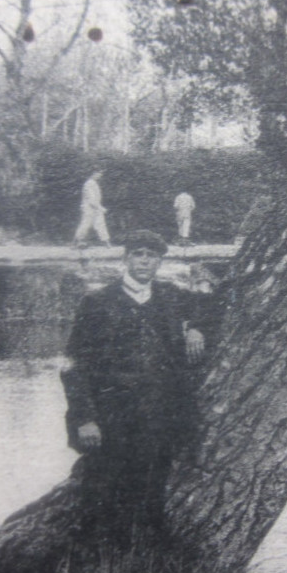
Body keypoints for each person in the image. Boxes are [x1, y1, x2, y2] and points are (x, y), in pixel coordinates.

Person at [60, 229, 207, 547]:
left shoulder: (170, 296)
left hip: (158, 419)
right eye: (138, 254)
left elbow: (211, 306)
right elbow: (73, 364)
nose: (144, 261)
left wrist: (195, 328)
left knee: (152, 499)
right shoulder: (98, 301)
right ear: (126, 259)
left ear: (159, 261)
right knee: (106, 499)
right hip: (111, 420)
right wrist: (85, 417)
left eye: (151, 255)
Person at [74, 171, 111, 247]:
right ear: (93, 174)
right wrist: (101, 208)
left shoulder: (94, 183)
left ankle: (107, 243)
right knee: (85, 225)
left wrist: (98, 208)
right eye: (98, 173)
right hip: (89, 208)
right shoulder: (89, 184)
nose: (100, 175)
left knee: (100, 224)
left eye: (101, 174)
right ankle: (76, 242)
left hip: (95, 208)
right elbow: (91, 199)